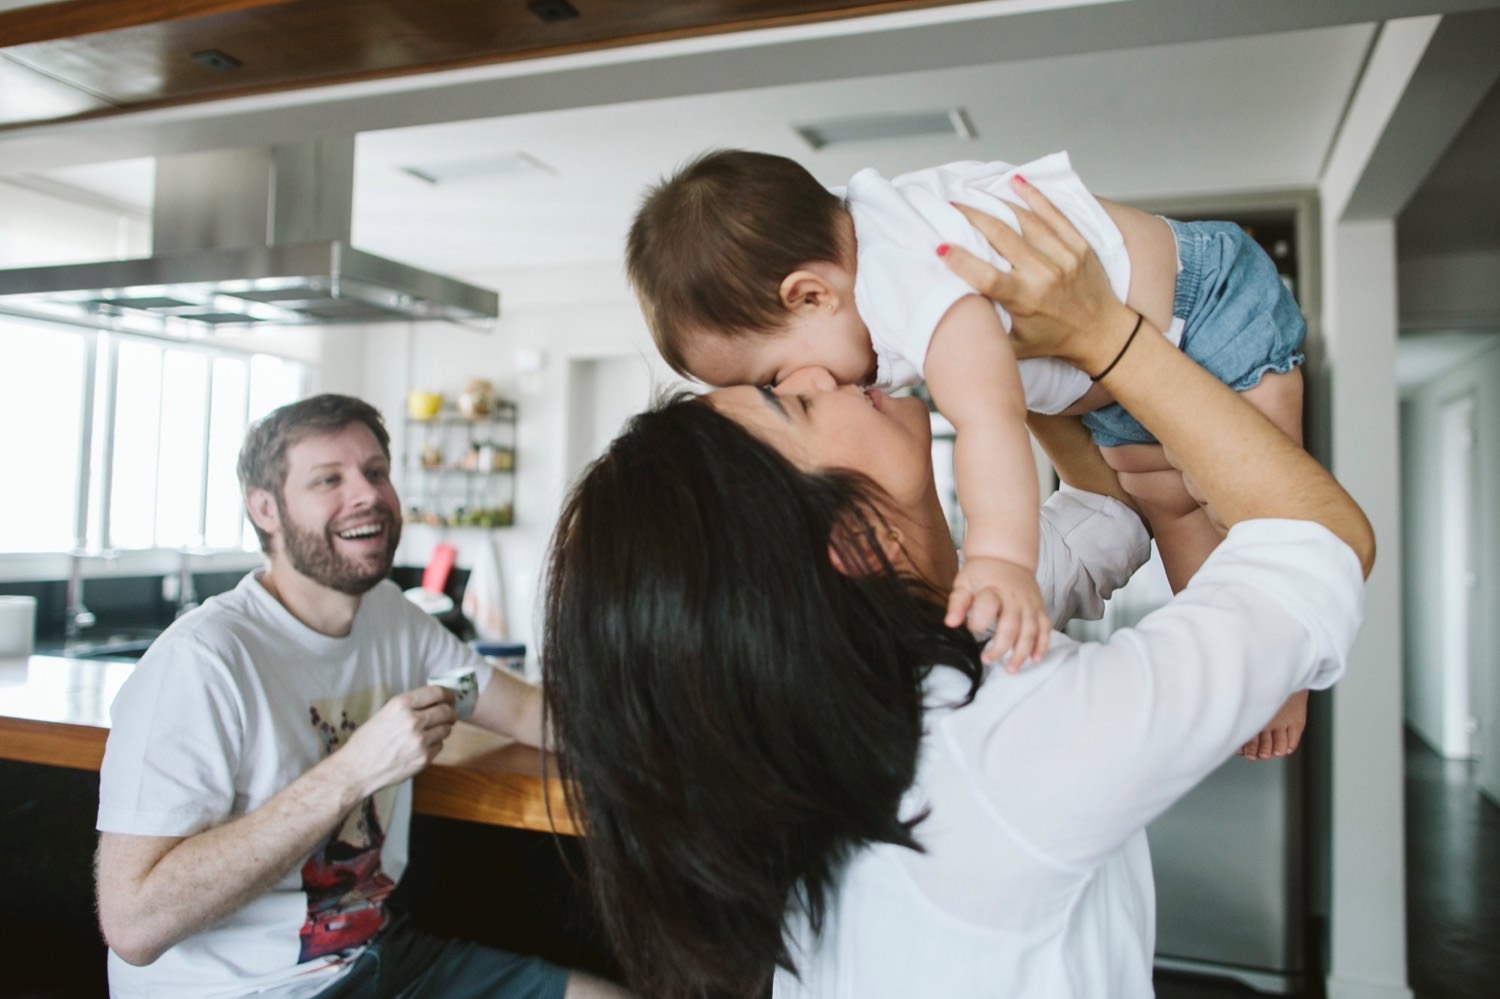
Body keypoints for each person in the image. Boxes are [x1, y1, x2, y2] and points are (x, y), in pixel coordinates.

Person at [549, 182, 1374, 998]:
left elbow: (1107, 514)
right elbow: (1321, 540)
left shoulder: (917, 649)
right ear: (851, 541)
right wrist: (1101, 333)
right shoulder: (1001, 746)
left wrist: (1010, 348)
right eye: (790, 398)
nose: (824, 375)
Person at [625, 148, 1311, 759]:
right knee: (1175, 509)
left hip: (1207, 304)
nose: (807, 386)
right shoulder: (854, 298)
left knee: (1268, 517)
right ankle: (1261, 670)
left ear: (811, 292)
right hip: (1124, 388)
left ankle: (1290, 668)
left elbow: (989, 416)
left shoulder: (902, 274)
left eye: (775, 379)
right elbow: (1104, 493)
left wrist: (1000, 560)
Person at [94, 394, 630, 999]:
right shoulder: (201, 663)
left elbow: (538, 716)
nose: (368, 494)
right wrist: (353, 771)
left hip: (379, 960)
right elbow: (133, 925)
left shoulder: (392, 622)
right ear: (265, 508)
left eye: (376, 472)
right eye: (330, 479)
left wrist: (702, 739)